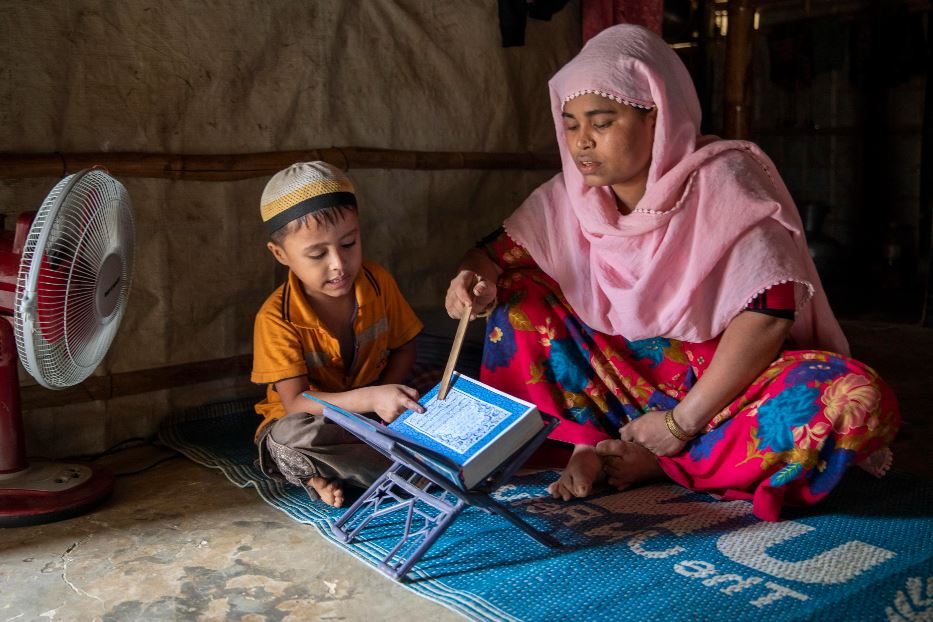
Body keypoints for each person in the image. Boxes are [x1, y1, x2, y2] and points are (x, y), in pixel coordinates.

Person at [444, 25, 900, 521]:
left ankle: (662, 460)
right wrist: (473, 280)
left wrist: (681, 423)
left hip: (723, 387)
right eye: (571, 125)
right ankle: (591, 442)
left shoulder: (724, 183)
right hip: (620, 380)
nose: (582, 143)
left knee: (853, 397)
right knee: (518, 296)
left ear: (656, 118)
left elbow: (771, 313)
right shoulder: (570, 197)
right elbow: (493, 255)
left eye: (601, 122)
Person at [252, 161, 424, 508]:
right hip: (314, 424)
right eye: (317, 254)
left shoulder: (377, 282)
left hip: (371, 422)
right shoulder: (275, 318)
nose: (338, 264)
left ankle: (330, 474)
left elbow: (405, 347)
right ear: (280, 254)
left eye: (348, 243)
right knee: (287, 439)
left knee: (437, 396)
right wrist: (370, 399)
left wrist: (386, 403)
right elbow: (297, 403)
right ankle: (417, 474)